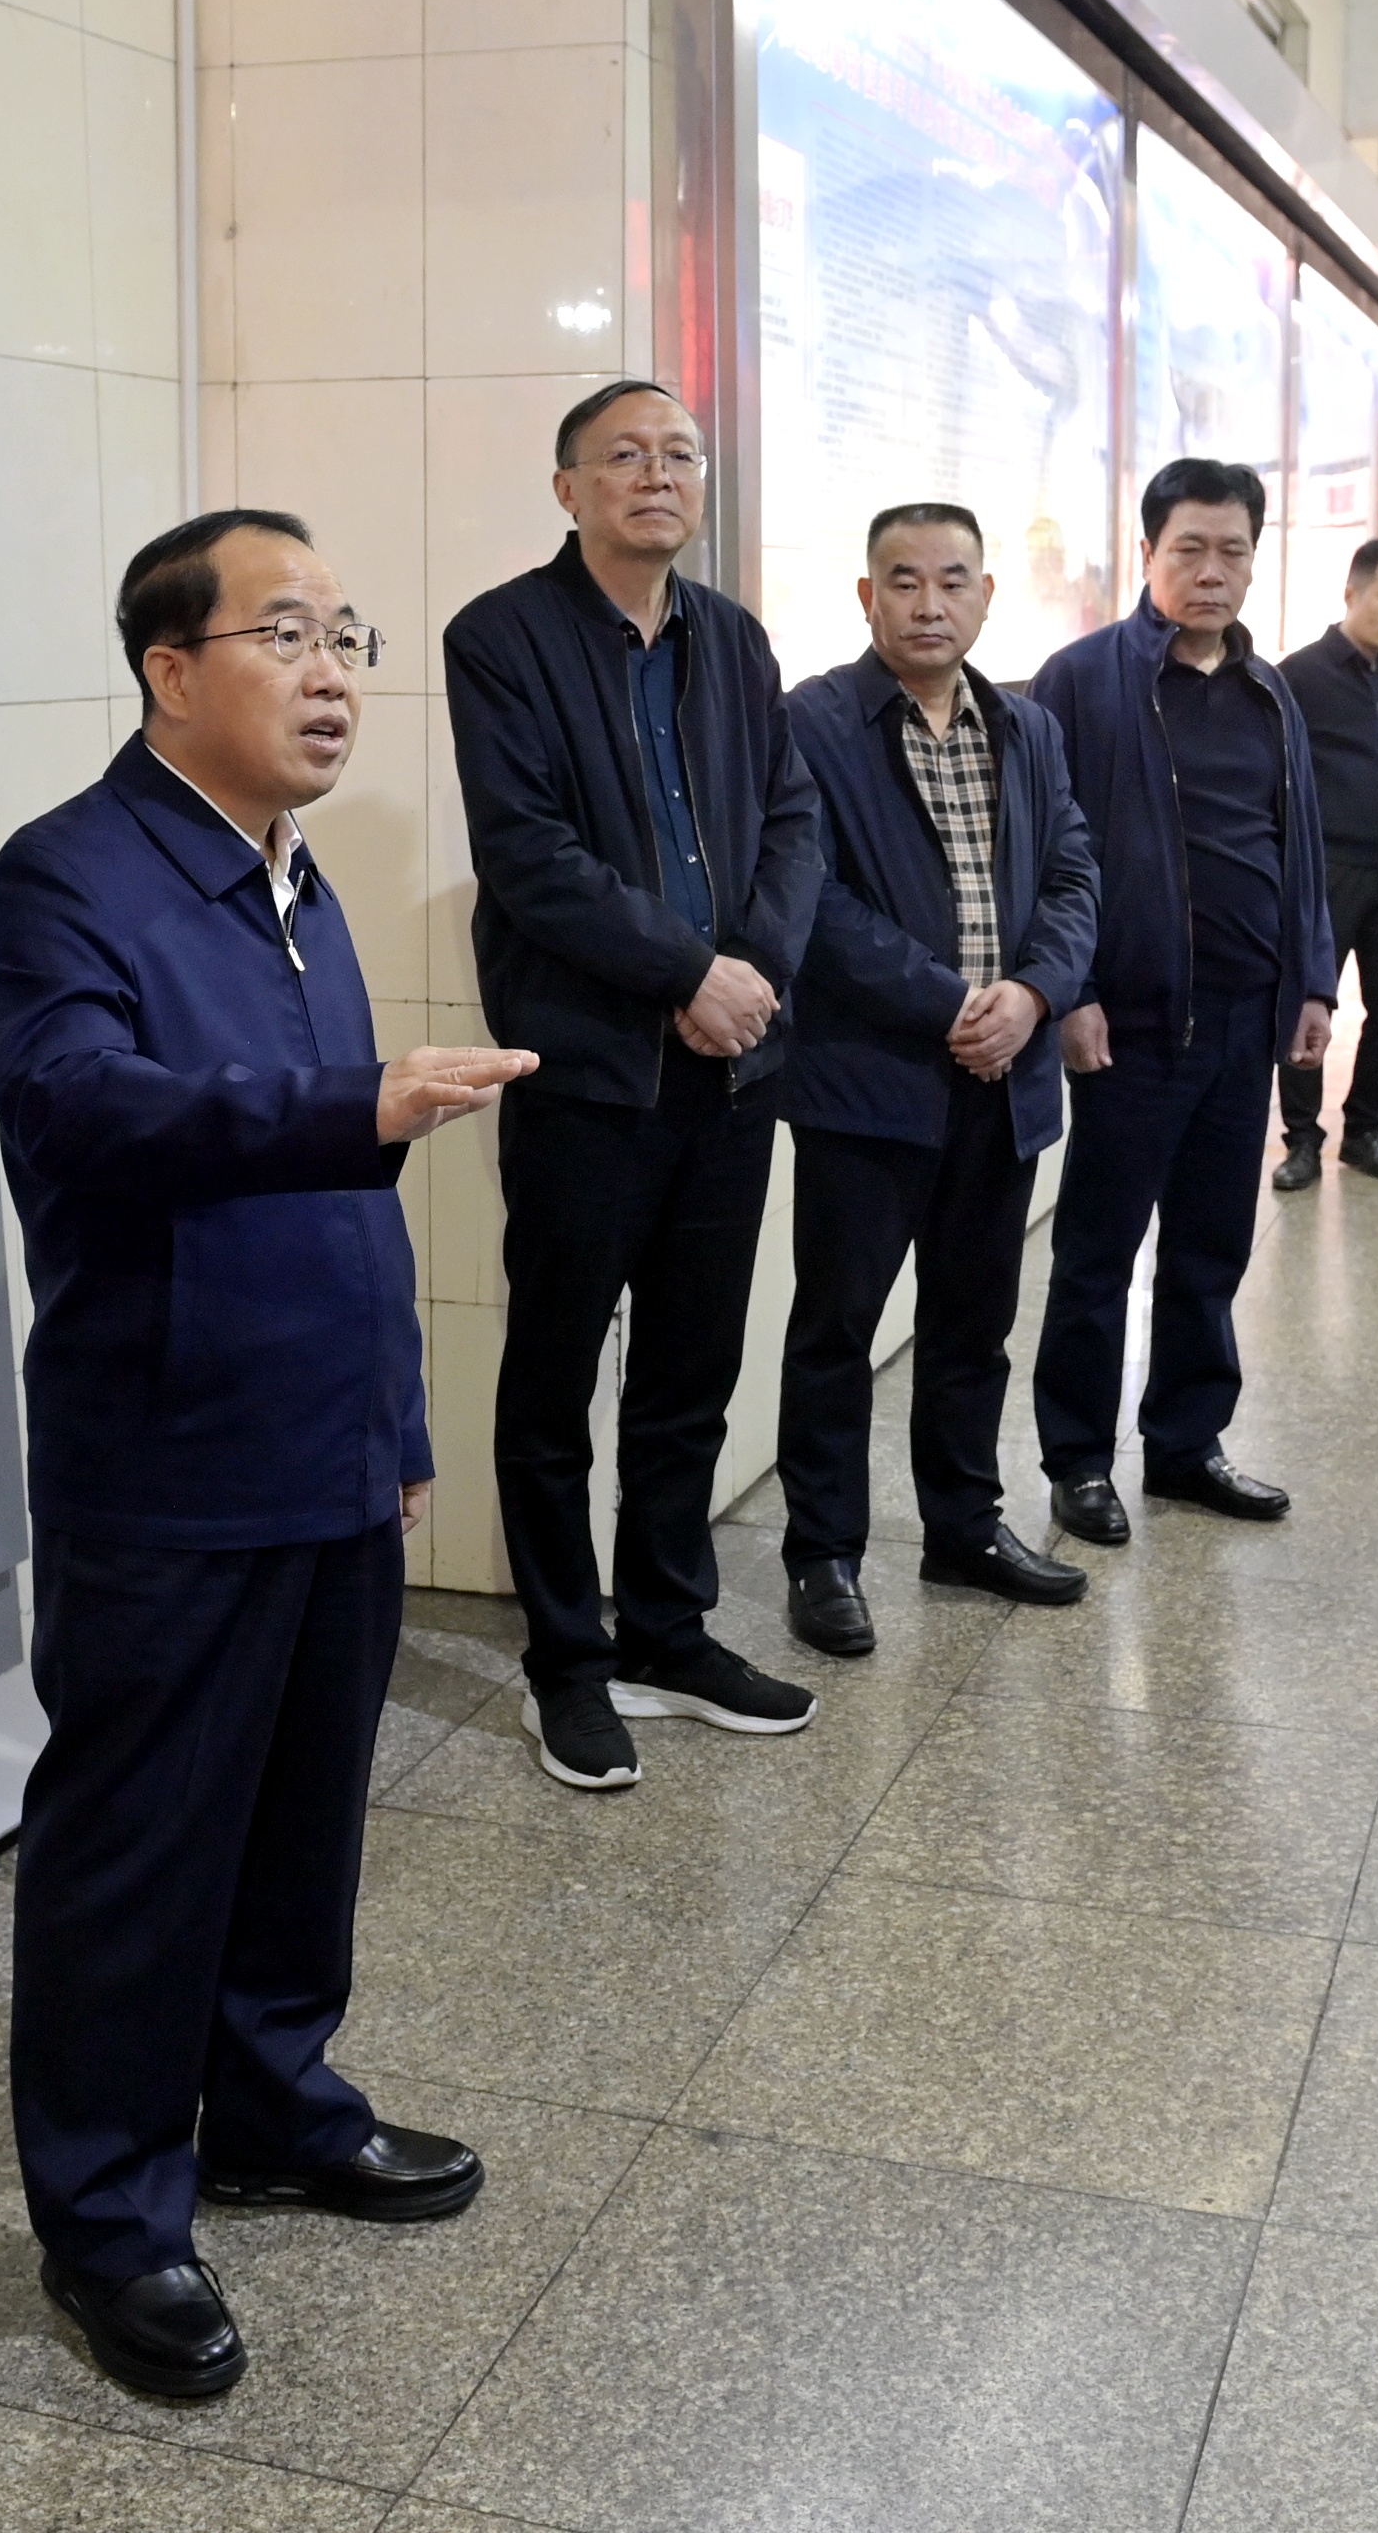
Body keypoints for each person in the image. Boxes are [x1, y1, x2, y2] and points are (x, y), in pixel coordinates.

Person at [0, 511, 530, 2402]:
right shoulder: (67, 877)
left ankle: (278, 2106)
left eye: (344, 637)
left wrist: (398, 1420)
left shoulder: (298, 877)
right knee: (138, 1856)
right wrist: (353, 1101)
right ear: (168, 670)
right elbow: (85, 1109)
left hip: (325, 1445)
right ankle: (112, 2221)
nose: (330, 674)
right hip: (169, 1454)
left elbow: (346, 1207)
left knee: (302, 1829)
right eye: (283, 634)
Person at [444, 379, 826, 1794]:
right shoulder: (500, 638)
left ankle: (667, 1631)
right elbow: (528, 854)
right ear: (569, 488)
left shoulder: (735, 638)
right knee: (555, 1377)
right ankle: (566, 1659)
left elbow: (792, 818)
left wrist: (752, 971)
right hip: (592, 1070)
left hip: (734, 1069)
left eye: (679, 454)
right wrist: (684, 974)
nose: (657, 476)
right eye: (624, 455)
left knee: (690, 1368)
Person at [773, 505, 1101, 1654]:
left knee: (973, 1324)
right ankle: (823, 1555)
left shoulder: (1027, 726)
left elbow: (1073, 873)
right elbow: (811, 898)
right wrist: (946, 1002)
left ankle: (964, 1527)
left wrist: (1034, 995)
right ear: (867, 597)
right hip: (868, 1084)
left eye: (951, 581)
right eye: (903, 581)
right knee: (838, 1330)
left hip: (1003, 1082)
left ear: (986, 595)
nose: (928, 604)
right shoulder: (815, 722)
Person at [1026, 460, 1336, 1543]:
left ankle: (1186, 1443)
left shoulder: (1269, 692)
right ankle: (1077, 1460)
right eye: (1189, 549)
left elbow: (1298, 848)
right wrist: (1071, 991)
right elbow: (1044, 853)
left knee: (1212, 1246)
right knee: (1099, 1253)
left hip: (1246, 1017)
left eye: (1232, 551)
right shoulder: (1082, 681)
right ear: (1148, 553)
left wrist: (1312, 980)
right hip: (1131, 1023)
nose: (1212, 571)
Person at [1274, 536, 1378, 1188]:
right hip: (1328, 867)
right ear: (1351, 594)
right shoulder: (1300, 675)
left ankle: (1363, 1132)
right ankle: (1302, 1142)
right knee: (1308, 1007)